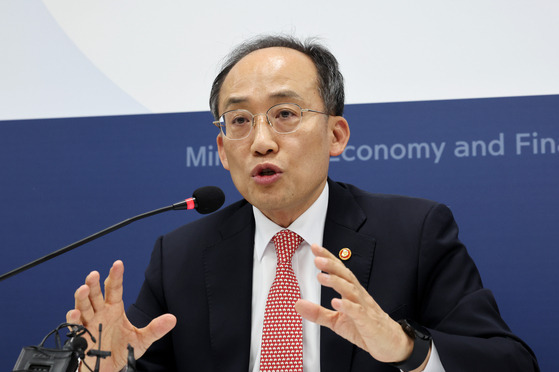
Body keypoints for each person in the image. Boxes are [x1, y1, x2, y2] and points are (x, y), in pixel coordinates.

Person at [66, 35, 539, 372]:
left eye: (286, 114)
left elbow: (511, 362)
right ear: (221, 151)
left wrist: (405, 349)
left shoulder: (415, 232)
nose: (262, 142)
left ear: (336, 134)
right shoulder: (181, 257)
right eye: (240, 121)